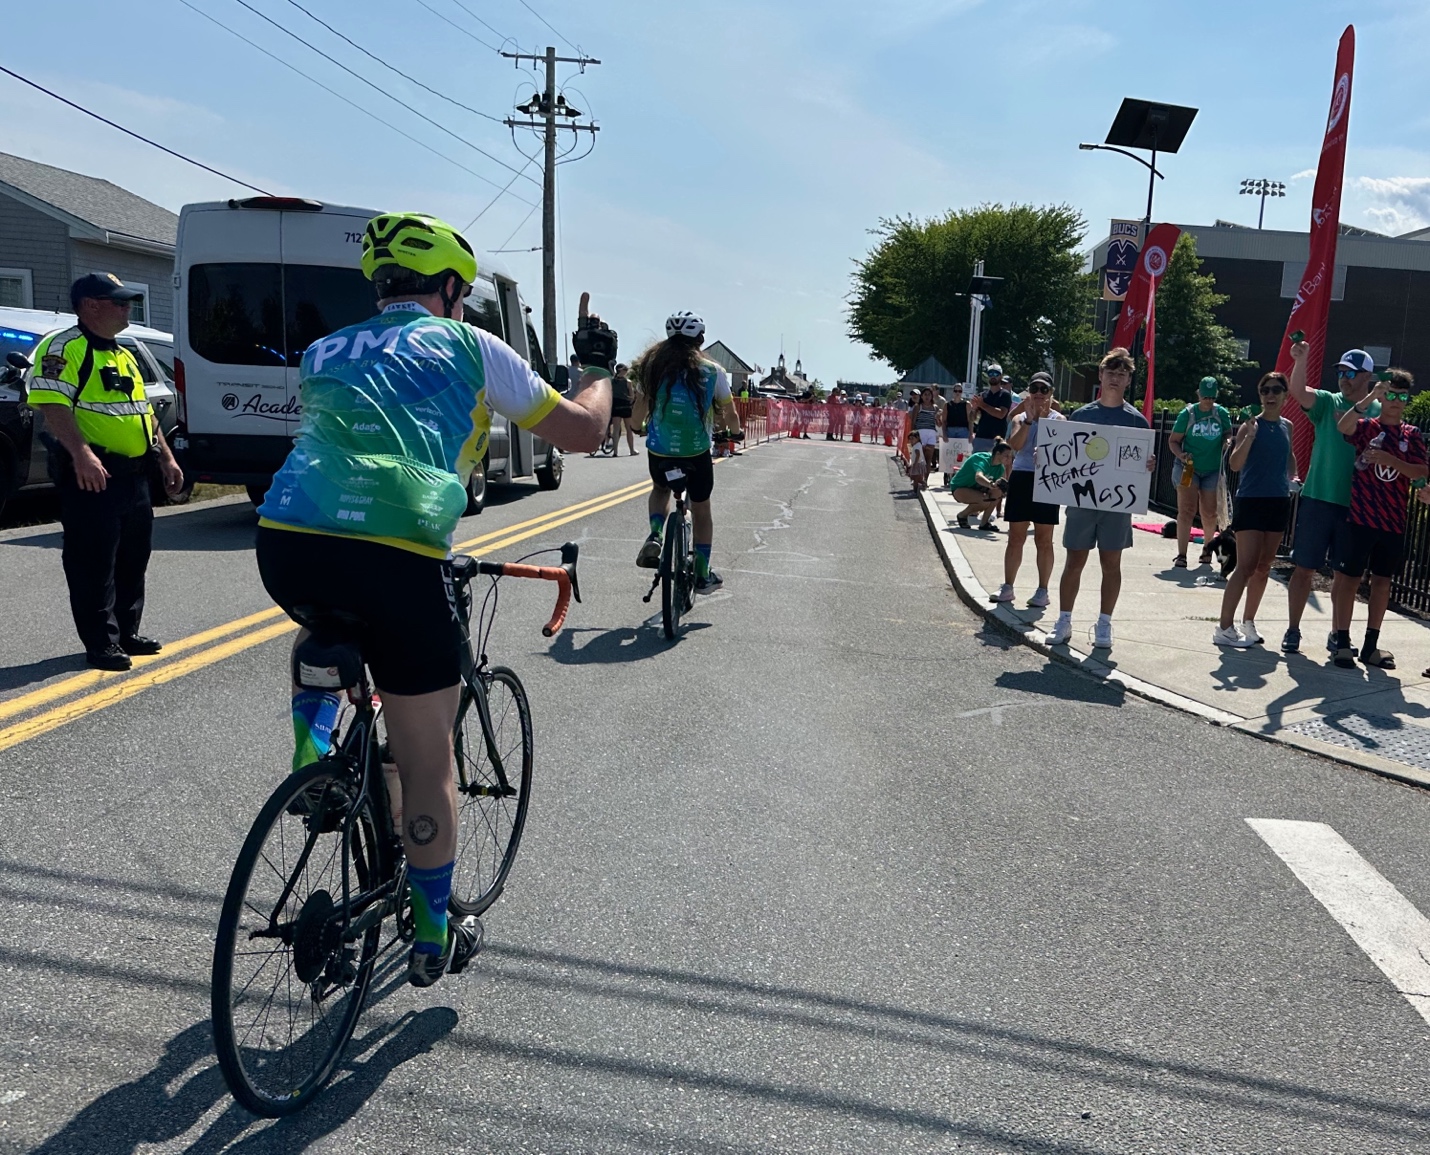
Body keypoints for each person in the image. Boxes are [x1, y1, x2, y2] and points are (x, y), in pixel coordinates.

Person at [254, 213, 612, 986]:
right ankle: (429, 930)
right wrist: (597, 372)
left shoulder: (325, 349)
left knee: (329, 615)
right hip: (400, 550)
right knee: (427, 759)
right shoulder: (469, 345)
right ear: (451, 287)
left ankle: (313, 748)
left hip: (286, 540)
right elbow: (582, 432)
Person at [27, 273, 185, 670]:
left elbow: (143, 413)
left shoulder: (123, 353)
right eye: (118, 302)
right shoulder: (65, 347)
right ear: (91, 305)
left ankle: (127, 633)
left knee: (134, 556)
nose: (126, 307)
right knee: (93, 562)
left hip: (133, 475)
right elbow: (52, 405)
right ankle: (101, 642)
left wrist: (165, 457)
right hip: (92, 474)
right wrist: (81, 454)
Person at [1046, 347, 1155, 650]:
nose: (1115, 378)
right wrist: (1049, 457)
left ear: (1128, 379)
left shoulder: (1137, 422)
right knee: (1074, 561)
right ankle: (1064, 619)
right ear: (1101, 374)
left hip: (1117, 504)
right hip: (1082, 502)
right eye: (1111, 372)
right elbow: (1063, 456)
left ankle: (1104, 623)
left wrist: (1149, 464)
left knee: (1111, 562)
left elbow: (1142, 464)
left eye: (1122, 373)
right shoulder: (1081, 415)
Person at [632, 311, 743, 593]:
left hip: (660, 450)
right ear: (701, 339)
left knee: (660, 489)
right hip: (696, 452)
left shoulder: (653, 367)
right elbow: (729, 412)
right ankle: (702, 574)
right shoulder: (712, 371)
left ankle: (656, 534)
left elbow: (639, 411)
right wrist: (735, 433)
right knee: (702, 509)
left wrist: (636, 427)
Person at [1280, 343, 1381, 653]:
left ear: (1368, 377)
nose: (1344, 378)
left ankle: (1338, 633)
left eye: (1351, 373)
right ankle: (1293, 630)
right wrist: (1301, 359)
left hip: (1355, 506)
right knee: (1304, 567)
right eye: (1340, 372)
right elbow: (1298, 391)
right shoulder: (1327, 401)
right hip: (1318, 497)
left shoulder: (1377, 410)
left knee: (1345, 575)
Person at [1327, 370, 1428, 668]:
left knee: (1382, 583)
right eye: (1391, 395)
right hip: (1360, 518)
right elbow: (1343, 427)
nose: (1396, 402)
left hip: (1393, 522)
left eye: (1402, 396)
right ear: (1383, 397)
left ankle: (1371, 645)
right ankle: (1342, 642)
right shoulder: (1367, 427)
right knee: (1349, 580)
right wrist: (1369, 396)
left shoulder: (1412, 434)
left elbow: (1421, 472)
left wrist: (1391, 460)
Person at [1212, 373, 1299, 647]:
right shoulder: (1251, 426)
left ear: (1285, 395)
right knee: (1246, 565)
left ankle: (1248, 622)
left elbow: (1289, 455)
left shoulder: (1287, 426)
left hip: (1278, 500)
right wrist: (1249, 436)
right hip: (1251, 500)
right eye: (1264, 390)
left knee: (1263, 567)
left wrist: (1293, 478)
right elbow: (1235, 464)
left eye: (1275, 390)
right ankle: (1224, 628)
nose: (1270, 395)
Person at [991, 375, 1063, 608]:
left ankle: (1043, 590)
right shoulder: (1019, 418)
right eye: (1035, 388)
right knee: (1016, 536)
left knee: (1044, 539)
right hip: (1022, 476)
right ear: (1028, 392)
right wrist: (1031, 420)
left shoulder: (1058, 419)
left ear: (1051, 392)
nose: (1039, 393)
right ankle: (1008, 586)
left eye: (1044, 389)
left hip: (1047, 480)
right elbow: (1015, 445)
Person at [1169, 377, 1233, 568]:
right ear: (1198, 394)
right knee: (1186, 510)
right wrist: (1181, 455)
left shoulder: (1221, 413)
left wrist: (1227, 440)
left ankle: (1207, 550)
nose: (1208, 401)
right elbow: (1173, 441)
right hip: (1188, 467)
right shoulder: (1187, 414)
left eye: (1211, 398)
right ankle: (1181, 554)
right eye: (1205, 397)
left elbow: (1228, 432)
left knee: (1210, 512)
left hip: (1212, 468)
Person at [948, 439, 1014, 530]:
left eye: (1010, 456)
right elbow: (978, 477)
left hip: (977, 489)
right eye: (1006, 456)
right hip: (960, 488)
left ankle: (984, 523)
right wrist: (991, 484)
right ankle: (962, 515)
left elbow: (1001, 483)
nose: (1009, 459)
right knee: (985, 501)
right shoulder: (981, 459)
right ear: (998, 454)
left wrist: (1003, 489)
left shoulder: (1001, 468)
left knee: (997, 492)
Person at [969, 364, 1012, 454]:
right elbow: (972, 419)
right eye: (990, 373)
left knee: (995, 466)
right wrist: (974, 409)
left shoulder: (1005, 395)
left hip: (997, 438)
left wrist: (982, 405)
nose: (993, 376)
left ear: (1000, 376)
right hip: (981, 437)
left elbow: (1001, 414)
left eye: (996, 374)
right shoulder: (982, 395)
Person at [605, 362, 638, 456]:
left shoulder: (611, 381)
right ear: (621, 370)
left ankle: (615, 451)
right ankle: (632, 450)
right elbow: (631, 396)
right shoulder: (628, 382)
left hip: (615, 405)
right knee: (628, 429)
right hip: (626, 405)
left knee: (616, 429)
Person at [912, 387, 941, 472]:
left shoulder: (935, 408)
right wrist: (912, 436)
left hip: (931, 434)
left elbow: (939, 423)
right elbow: (913, 422)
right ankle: (918, 478)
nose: (927, 397)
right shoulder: (918, 407)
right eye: (925, 394)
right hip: (920, 433)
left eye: (929, 394)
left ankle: (925, 480)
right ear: (921, 396)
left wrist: (939, 417)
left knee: (928, 459)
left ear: (932, 396)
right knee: (920, 458)